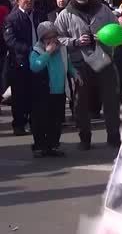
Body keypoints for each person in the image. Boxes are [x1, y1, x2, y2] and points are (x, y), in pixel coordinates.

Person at [55, 0, 122, 149]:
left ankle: (113, 136)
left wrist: (104, 38)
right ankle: (85, 138)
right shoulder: (64, 15)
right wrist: (75, 42)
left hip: (104, 62)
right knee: (81, 104)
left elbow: (117, 30)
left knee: (111, 101)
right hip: (80, 65)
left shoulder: (103, 9)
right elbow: (56, 39)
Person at [28, 22, 79, 158]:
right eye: (47, 38)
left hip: (59, 91)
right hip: (43, 92)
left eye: (54, 37)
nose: (52, 41)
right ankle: (39, 146)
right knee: (40, 120)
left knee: (56, 121)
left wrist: (75, 74)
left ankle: (52, 145)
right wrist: (48, 52)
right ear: (42, 39)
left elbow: (67, 63)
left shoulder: (62, 49)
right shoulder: (36, 51)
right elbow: (35, 66)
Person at [3, 0, 45, 136]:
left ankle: (36, 123)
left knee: (37, 94)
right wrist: (29, 49)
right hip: (20, 62)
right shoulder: (12, 18)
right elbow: (10, 40)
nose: (29, 0)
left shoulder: (39, 15)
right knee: (20, 96)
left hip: (40, 59)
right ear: (18, 0)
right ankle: (19, 124)